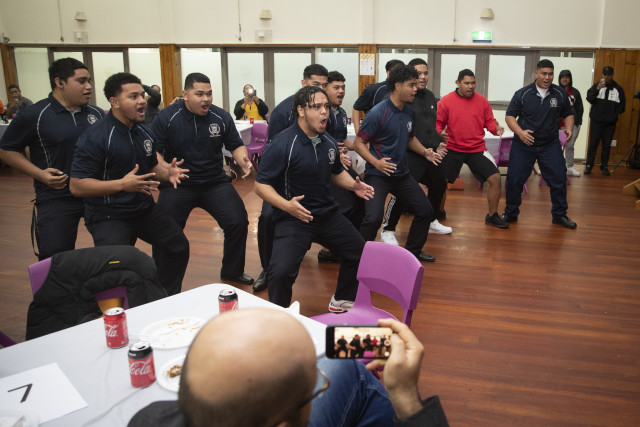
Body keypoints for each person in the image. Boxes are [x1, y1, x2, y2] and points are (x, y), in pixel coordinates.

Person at [128, 308, 449, 427]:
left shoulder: (148, 418)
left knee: (343, 364)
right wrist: (405, 397)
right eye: (316, 380)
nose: (321, 373)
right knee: (350, 369)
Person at [69, 72, 190, 295]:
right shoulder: (96, 137)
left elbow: (152, 167)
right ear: (114, 102)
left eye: (142, 95)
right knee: (117, 270)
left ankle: (165, 297)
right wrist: (122, 185)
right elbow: (77, 185)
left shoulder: (144, 131)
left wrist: (168, 174)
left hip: (143, 209)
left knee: (177, 246)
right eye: (133, 97)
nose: (142, 101)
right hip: (108, 215)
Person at [255, 86, 374, 311]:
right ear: (301, 110)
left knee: (360, 253)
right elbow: (260, 185)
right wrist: (287, 206)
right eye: (316, 107)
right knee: (280, 273)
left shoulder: (328, 142)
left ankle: (341, 299)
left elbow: (334, 172)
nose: (324, 112)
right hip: (294, 218)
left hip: (326, 214)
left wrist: (353, 185)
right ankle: (279, 316)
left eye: (326, 106)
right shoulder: (282, 144)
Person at [151, 72, 254, 285]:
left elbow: (235, 145)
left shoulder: (220, 116)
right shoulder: (167, 117)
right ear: (185, 94)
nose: (206, 99)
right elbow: (155, 153)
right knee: (164, 229)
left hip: (214, 182)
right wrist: (167, 170)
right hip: (178, 182)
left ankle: (232, 271)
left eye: (209, 93)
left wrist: (243, 160)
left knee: (238, 221)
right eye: (199, 94)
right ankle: (160, 280)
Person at [0, 58, 104, 260]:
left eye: (89, 81)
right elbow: (6, 150)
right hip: (57, 197)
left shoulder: (96, 113)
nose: (88, 87)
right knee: (54, 256)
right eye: (81, 81)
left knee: (114, 248)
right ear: (59, 82)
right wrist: (40, 174)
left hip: (95, 192)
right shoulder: (35, 115)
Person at [355, 65, 442, 263]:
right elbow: (359, 143)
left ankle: (412, 254)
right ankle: (358, 258)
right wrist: (376, 163)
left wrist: (425, 152)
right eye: (411, 85)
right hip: (378, 175)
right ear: (397, 85)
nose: (415, 89)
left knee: (425, 211)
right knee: (373, 219)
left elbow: (410, 139)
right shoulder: (378, 113)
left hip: (402, 175)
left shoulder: (408, 112)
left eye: (416, 85)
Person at [254, 64, 329, 293]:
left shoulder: (326, 110)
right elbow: (273, 152)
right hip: (282, 179)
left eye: (324, 85)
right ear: (303, 84)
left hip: (314, 175)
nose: (321, 90)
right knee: (268, 216)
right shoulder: (282, 112)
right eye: (316, 84)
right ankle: (268, 268)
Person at [381, 58, 451, 246]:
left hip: (430, 153)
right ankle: (388, 229)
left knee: (439, 184)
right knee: (402, 192)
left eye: (425, 73)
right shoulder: (403, 98)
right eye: (418, 73)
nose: (423, 77)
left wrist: (437, 141)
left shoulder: (430, 96)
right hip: (410, 154)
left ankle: (431, 221)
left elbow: (429, 125)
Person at [503, 60, 577, 229]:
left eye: (550, 74)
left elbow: (568, 113)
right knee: (514, 179)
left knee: (559, 179)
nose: (547, 77)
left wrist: (569, 128)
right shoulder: (523, 93)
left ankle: (559, 215)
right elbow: (510, 116)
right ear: (536, 74)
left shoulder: (560, 93)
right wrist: (520, 133)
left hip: (549, 144)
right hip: (524, 144)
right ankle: (510, 213)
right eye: (543, 73)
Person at [436, 69, 509, 229]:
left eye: (473, 83)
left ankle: (492, 216)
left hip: (476, 149)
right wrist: (439, 134)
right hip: (453, 148)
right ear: (458, 83)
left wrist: (495, 128)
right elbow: (438, 123)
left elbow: (489, 121)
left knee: (495, 178)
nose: (470, 86)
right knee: (440, 181)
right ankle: (438, 213)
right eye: (467, 83)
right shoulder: (446, 101)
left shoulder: (482, 101)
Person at [317, 70, 365, 264]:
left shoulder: (342, 112)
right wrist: (336, 153)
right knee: (344, 205)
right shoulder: (321, 114)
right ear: (325, 89)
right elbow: (318, 141)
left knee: (361, 200)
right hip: (325, 168)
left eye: (343, 87)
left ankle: (350, 244)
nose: (341, 91)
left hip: (339, 163)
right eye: (336, 87)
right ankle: (328, 249)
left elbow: (343, 140)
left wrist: (360, 146)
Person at [585, 66, 626, 176]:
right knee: (593, 145)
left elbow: (622, 106)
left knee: (606, 146)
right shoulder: (597, 86)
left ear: (612, 75)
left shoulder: (618, 89)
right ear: (602, 75)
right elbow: (589, 98)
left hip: (610, 124)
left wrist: (613, 114)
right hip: (596, 122)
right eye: (605, 74)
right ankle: (588, 166)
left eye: (609, 75)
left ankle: (604, 167)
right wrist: (597, 89)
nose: (607, 77)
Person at [352, 59, 405, 134]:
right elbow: (356, 108)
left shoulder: (405, 91)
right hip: (374, 134)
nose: (398, 75)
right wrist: (358, 132)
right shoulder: (373, 89)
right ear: (388, 73)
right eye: (395, 72)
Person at [557, 70, 584, 177]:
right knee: (554, 146)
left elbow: (580, 108)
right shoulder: (555, 91)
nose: (565, 79)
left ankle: (570, 167)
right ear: (559, 79)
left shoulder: (575, 92)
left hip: (572, 124)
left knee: (570, 145)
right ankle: (551, 167)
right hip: (557, 124)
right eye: (562, 77)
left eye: (567, 77)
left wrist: (578, 122)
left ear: (570, 79)